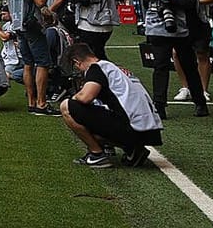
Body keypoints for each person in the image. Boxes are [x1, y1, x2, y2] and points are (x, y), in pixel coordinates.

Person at [59, 40, 163, 168]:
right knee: (95, 112)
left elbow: (86, 97)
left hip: (133, 128)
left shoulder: (96, 68)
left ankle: (97, 155)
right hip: (150, 131)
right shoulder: (113, 68)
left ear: (77, 62)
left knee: (67, 106)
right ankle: (134, 150)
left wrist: (75, 96)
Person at [138, 0, 209, 117]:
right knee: (160, 66)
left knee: (189, 66)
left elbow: (190, 1)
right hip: (156, 27)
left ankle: (200, 103)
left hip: (180, 29)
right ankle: (159, 106)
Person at [4, 0, 56, 115]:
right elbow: (39, 2)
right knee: (42, 63)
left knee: (27, 63)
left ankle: (31, 102)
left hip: (17, 25)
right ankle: (41, 104)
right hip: (31, 25)